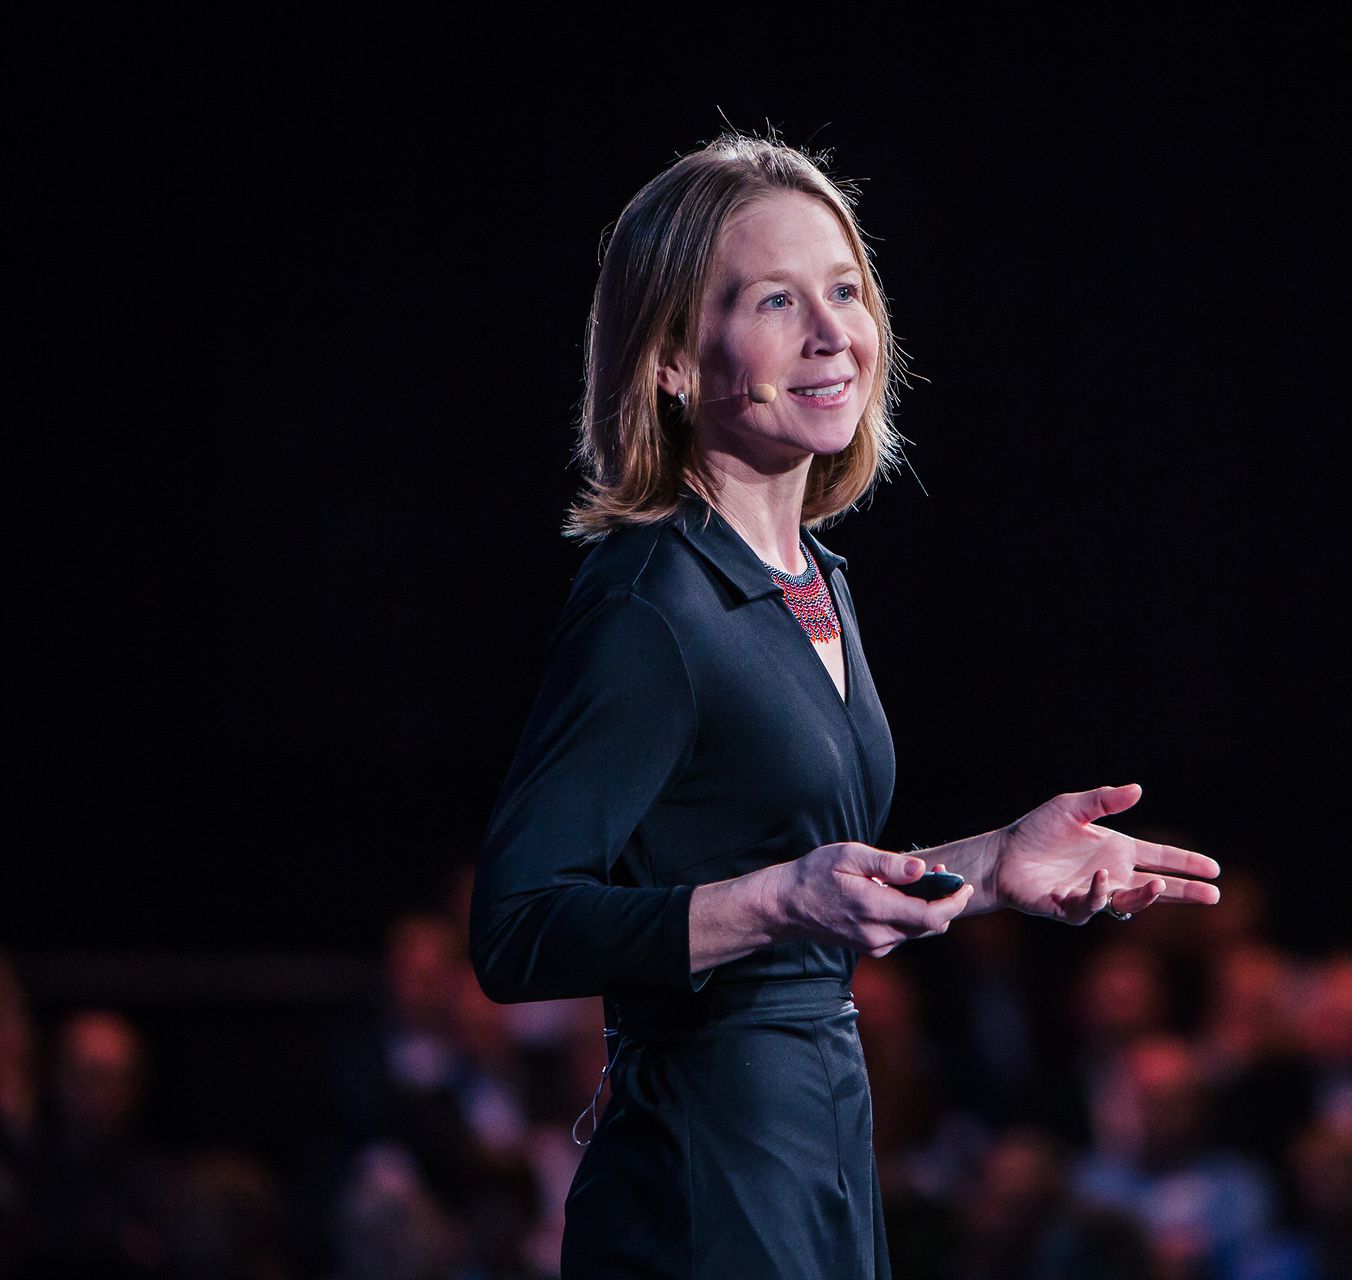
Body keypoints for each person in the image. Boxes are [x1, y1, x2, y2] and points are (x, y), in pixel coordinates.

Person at [467, 132, 1224, 1280]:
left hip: (816, 1126)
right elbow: (518, 926)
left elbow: (818, 882)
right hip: (704, 1161)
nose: (833, 334)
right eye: (777, 299)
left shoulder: (815, 577)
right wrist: (774, 899)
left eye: (845, 291)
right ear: (673, 358)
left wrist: (987, 867)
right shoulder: (650, 601)